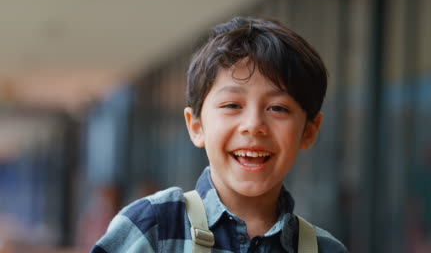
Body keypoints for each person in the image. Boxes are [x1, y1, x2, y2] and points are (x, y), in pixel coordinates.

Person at [91, 17, 348, 253]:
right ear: (196, 126)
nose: (253, 125)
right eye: (232, 105)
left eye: (278, 108)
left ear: (309, 131)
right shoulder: (153, 226)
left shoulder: (324, 249)